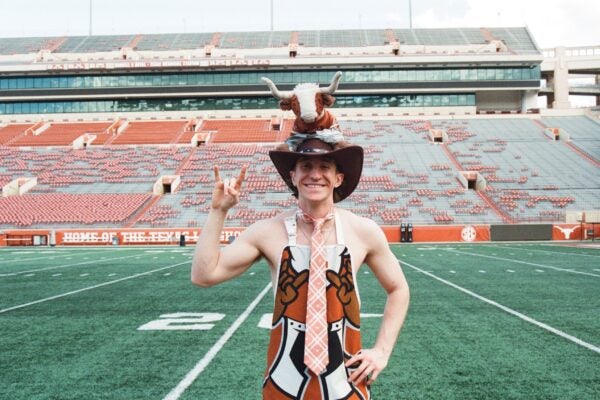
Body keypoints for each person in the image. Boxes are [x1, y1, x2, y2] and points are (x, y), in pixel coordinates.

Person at [191, 134, 410, 400]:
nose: (315, 175)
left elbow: (398, 288)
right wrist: (218, 211)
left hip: (347, 380)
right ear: (292, 177)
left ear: (338, 178)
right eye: (306, 166)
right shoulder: (267, 231)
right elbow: (204, 275)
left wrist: (382, 351)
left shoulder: (362, 230)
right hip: (285, 381)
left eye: (324, 167)